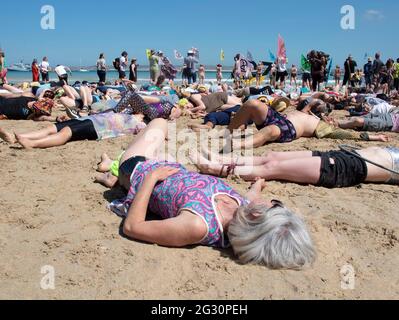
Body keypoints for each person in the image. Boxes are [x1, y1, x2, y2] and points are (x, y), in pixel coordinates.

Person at [95, 118, 315, 269]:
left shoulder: (197, 226)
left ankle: (113, 170)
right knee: (165, 146)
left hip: (138, 171)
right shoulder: (240, 211)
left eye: (276, 204)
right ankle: (111, 173)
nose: (270, 202)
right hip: (170, 168)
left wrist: (152, 177)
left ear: (258, 216)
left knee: (160, 124)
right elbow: (250, 198)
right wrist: (257, 186)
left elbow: (134, 227)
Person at [192, 146, 399, 187]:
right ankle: (222, 160)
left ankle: (214, 169)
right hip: (346, 155)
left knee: (271, 167)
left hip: (350, 168)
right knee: (272, 155)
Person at [225, 99, 388, 149]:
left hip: (287, 129)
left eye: (330, 118)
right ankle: (228, 132)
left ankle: (239, 144)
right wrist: (319, 99)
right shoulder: (306, 112)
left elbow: (349, 134)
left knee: (269, 132)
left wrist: (375, 137)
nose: (330, 118)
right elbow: (313, 100)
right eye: (326, 114)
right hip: (278, 117)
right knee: (252, 104)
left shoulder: (322, 125)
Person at [0, 112, 146, 149]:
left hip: (98, 128)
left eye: (142, 114)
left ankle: (32, 143)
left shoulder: (138, 123)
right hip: (89, 119)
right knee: (53, 127)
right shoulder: (126, 114)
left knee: (67, 132)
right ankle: (15, 138)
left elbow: (147, 132)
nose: (140, 113)